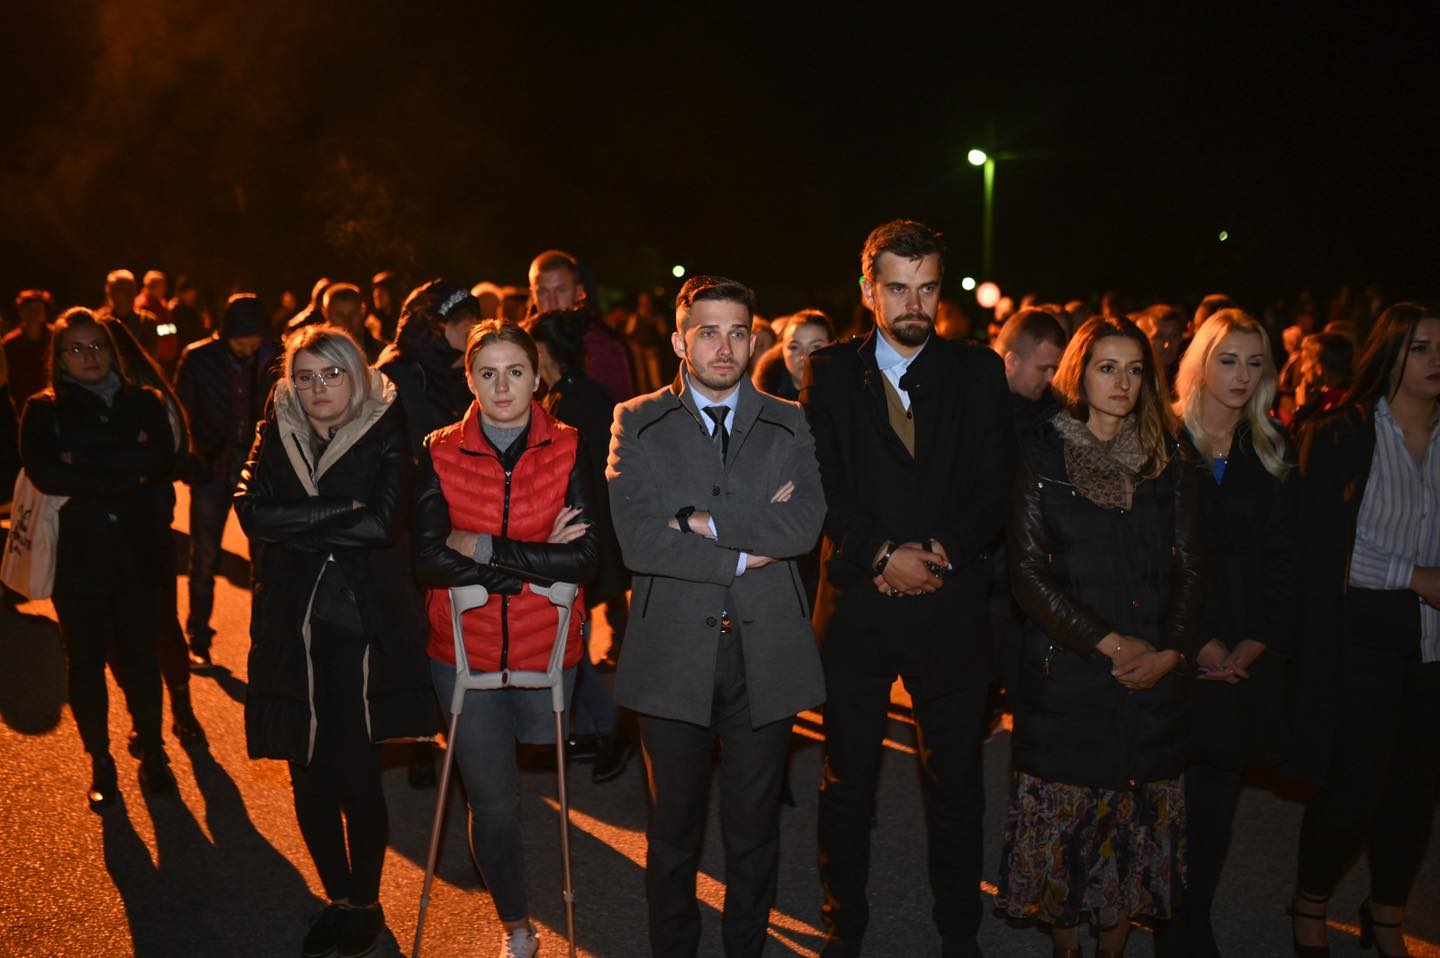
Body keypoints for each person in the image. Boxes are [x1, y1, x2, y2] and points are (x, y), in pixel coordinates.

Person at [801, 220, 1016, 957]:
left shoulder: (977, 371)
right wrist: (882, 555)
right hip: (858, 606)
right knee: (847, 783)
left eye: (926, 288)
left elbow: (996, 485)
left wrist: (941, 554)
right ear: (869, 291)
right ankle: (843, 924)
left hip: (951, 607)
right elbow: (822, 483)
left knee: (956, 784)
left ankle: (959, 931)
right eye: (897, 288)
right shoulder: (830, 371)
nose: (913, 303)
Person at [608, 274, 825, 956]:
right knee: (673, 831)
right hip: (672, 650)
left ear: (754, 340)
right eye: (708, 332)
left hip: (766, 650)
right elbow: (639, 542)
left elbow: (804, 526)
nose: (724, 347)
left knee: (754, 829)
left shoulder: (790, 419)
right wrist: (742, 550)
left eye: (737, 332)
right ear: (680, 342)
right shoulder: (636, 419)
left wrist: (697, 521)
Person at [998, 314, 1202, 958]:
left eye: (1135, 370)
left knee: (1135, 836)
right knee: (1067, 836)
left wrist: (1170, 652)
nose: (1122, 382)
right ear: (1079, 374)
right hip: (1070, 674)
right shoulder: (1044, 452)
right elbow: (1027, 575)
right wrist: (1109, 644)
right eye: (1107, 368)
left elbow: (1192, 568)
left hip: (1153, 678)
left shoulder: (1169, 458)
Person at [235, 326, 435, 958]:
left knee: (355, 772)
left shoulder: (386, 427)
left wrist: (295, 525)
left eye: (331, 374)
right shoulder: (276, 429)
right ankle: (340, 899)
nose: (317, 388)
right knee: (305, 771)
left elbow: (381, 525)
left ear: (356, 375)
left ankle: (365, 903)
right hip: (289, 623)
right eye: (304, 377)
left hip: (360, 627)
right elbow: (250, 511)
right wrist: (339, 512)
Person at [413, 320, 598, 958]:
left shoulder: (569, 445)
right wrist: (537, 558)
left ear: (536, 377)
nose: (501, 387)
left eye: (515, 372)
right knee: (492, 803)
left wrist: (484, 549)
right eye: (486, 373)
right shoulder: (439, 450)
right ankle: (516, 924)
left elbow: (586, 560)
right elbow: (428, 561)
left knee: (541, 757)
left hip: (548, 647)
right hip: (462, 651)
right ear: (468, 379)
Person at [1288, 303, 1440, 958]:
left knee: (1416, 790)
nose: (1436, 361)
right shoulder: (1344, 434)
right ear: (1390, 354)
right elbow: (1324, 545)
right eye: (1421, 348)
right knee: (1354, 783)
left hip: (1434, 642)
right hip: (1365, 630)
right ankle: (1310, 903)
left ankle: (1387, 915)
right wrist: (1416, 577)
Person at [1157, 308, 1298, 957]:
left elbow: (1286, 557)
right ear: (1201, 363)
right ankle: (1167, 920)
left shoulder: (1271, 446)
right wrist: (1195, 639)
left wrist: (1255, 640)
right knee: (1166, 792)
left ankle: (1195, 919)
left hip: (1242, 647)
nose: (1242, 375)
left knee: (1217, 795)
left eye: (1254, 362)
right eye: (1229, 359)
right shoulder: (1162, 438)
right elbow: (1148, 554)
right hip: (1173, 641)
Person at [20, 308, 179, 806]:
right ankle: (101, 762)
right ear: (60, 359)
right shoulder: (43, 410)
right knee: (86, 663)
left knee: (141, 659)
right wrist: (125, 468)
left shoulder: (144, 401)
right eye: (77, 348)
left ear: (112, 351)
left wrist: (83, 459)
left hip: (138, 553)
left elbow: (161, 459)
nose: (89, 356)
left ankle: (153, 753)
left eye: (98, 346)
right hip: (78, 560)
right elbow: (46, 474)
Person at [529, 308, 632, 780]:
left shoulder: (571, 401)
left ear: (543, 351)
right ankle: (593, 727)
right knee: (570, 635)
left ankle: (609, 728)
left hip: (580, 533)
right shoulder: (572, 394)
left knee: (567, 637)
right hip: (587, 532)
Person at [174, 294, 278, 666]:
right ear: (227, 333)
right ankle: (198, 635)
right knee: (204, 556)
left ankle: (265, 639)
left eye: (255, 337)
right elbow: (181, 410)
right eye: (242, 338)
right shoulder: (198, 358)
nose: (249, 345)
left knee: (263, 559)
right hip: (212, 468)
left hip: (259, 471)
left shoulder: (271, 358)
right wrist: (195, 454)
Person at [527, 249, 634, 403]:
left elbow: (623, 408)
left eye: (561, 290)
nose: (552, 302)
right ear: (533, 295)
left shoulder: (602, 346)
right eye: (543, 292)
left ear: (579, 292)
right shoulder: (521, 345)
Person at [992, 306, 1068, 438]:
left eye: (1054, 369)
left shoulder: (1050, 412)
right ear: (1012, 362)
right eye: (1043, 369)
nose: (1050, 378)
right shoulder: (977, 412)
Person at [752, 309, 836, 402]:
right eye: (794, 347)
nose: (804, 357)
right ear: (782, 351)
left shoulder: (846, 393)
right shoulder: (762, 400)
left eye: (816, 347)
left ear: (833, 348)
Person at [3, 288, 54, 408]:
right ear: (21, 312)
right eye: (29, 309)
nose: (33, 313)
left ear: (45, 312)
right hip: (21, 403)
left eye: (37, 309)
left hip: (52, 400)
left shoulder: (56, 337)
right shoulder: (10, 343)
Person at [321, 283, 384, 365]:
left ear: (363, 310)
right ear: (325, 313)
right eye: (339, 315)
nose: (347, 320)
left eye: (353, 313)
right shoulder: (315, 352)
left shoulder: (382, 353)